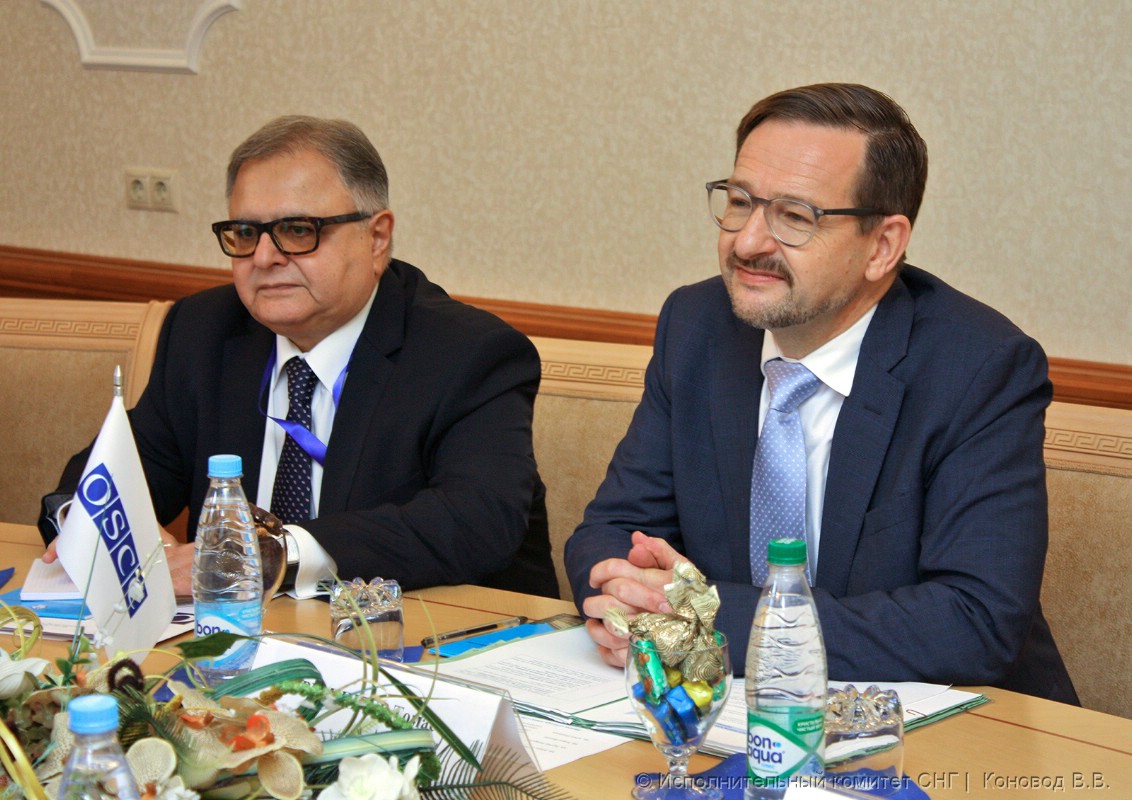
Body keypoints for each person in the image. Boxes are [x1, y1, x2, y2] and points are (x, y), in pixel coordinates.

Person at [565, 83, 1078, 703]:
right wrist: (634, 599)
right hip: (726, 712)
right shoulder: (697, 327)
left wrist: (711, 621)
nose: (747, 242)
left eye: (795, 216)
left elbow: (973, 620)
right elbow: (613, 530)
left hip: (955, 725)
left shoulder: (978, 367)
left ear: (882, 246)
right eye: (740, 202)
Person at [40, 115, 556, 600]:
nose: (265, 258)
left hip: (432, 641)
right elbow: (117, 467)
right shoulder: (203, 330)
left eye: (298, 230)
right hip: (232, 638)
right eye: (246, 234)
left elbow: (477, 521)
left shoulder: (467, 353)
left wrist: (274, 555)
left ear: (377, 238)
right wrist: (89, 522)